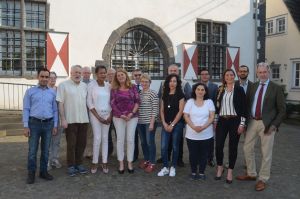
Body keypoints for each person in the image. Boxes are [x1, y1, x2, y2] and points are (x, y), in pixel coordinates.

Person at [236, 63, 286, 191]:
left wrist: (274, 125)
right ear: (257, 73)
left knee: (266, 153)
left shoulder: (276, 88)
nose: (262, 74)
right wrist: (245, 122)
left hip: (267, 124)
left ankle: (263, 179)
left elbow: (282, 110)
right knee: (247, 148)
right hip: (252, 121)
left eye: (265, 72)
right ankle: (251, 173)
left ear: (268, 72)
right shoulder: (253, 86)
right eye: (260, 72)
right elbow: (247, 105)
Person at [23, 68, 58, 184]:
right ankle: (31, 173)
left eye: (46, 77)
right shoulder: (30, 92)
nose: (44, 79)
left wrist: (55, 125)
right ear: (38, 77)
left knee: (45, 151)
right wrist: (26, 126)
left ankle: (43, 172)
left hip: (48, 124)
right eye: (42, 76)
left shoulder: (52, 92)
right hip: (34, 124)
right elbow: (26, 109)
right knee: (32, 150)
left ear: (49, 78)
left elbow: (55, 110)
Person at [214, 68, 246, 184]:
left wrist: (242, 124)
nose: (229, 77)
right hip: (222, 121)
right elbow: (217, 107)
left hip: (235, 121)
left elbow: (243, 108)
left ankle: (230, 171)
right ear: (224, 77)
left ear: (234, 76)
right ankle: (220, 166)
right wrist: (215, 121)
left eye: (231, 75)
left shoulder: (239, 89)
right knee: (218, 145)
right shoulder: (220, 89)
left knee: (233, 146)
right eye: (227, 75)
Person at [56, 65, 89, 176]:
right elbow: (60, 103)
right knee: (71, 144)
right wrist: (63, 119)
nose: (77, 74)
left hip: (83, 120)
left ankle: (79, 164)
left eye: (79, 73)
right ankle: (71, 165)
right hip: (70, 120)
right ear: (71, 73)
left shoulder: (85, 86)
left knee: (82, 144)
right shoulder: (63, 85)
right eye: (75, 72)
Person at [157, 64, 192, 167]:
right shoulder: (163, 83)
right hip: (166, 115)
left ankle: (179, 159)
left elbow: (189, 99)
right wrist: (161, 114)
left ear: (178, 72)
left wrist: (184, 115)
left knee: (178, 140)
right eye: (171, 70)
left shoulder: (185, 83)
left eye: (175, 70)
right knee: (166, 140)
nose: (173, 72)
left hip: (178, 117)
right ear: (168, 71)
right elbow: (160, 98)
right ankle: (166, 156)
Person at [110, 68, 140, 174]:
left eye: (122, 75)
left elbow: (137, 101)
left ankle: (130, 162)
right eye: (118, 76)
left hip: (133, 117)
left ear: (126, 75)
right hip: (119, 117)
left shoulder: (133, 87)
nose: (120, 77)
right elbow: (112, 103)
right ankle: (121, 163)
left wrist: (131, 113)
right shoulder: (114, 89)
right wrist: (121, 115)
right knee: (120, 140)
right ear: (116, 78)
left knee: (130, 140)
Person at [183, 82, 215, 180]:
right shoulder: (190, 102)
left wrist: (203, 127)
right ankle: (193, 172)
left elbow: (212, 117)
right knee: (193, 154)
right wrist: (194, 127)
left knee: (204, 154)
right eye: (198, 89)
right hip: (191, 134)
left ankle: (201, 173)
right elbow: (186, 116)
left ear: (205, 92)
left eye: (202, 90)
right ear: (194, 91)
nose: (200, 91)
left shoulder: (209, 102)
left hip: (206, 134)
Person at [157, 74, 185, 177]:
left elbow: (181, 111)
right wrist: (164, 123)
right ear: (167, 83)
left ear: (177, 83)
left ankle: (173, 167)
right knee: (164, 146)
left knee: (175, 146)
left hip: (177, 125)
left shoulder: (180, 95)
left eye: (174, 81)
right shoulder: (164, 94)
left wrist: (172, 124)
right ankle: (165, 167)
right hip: (165, 124)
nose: (172, 83)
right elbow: (162, 110)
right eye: (170, 81)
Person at [87, 65, 112, 174]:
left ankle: (105, 161)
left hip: (107, 115)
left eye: (104, 73)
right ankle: (95, 161)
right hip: (95, 115)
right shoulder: (91, 85)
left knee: (105, 138)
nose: (103, 75)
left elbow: (112, 101)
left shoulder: (109, 86)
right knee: (97, 138)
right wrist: (98, 117)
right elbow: (89, 102)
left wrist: (110, 115)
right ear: (96, 74)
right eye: (101, 73)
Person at [137, 74, 159, 173]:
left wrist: (151, 123)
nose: (144, 83)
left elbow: (155, 109)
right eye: (143, 81)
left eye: (146, 82)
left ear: (150, 83)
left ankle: (152, 162)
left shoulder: (153, 93)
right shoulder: (139, 93)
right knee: (143, 142)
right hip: (140, 122)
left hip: (149, 122)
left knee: (150, 142)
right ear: (140, 82)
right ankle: (147, 159)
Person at [199, 68, 218, 167]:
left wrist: (214, 117)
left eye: (206, 74)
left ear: (209, 76)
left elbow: (216, 102)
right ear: (200, 76)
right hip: (198, 117)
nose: (204, 76)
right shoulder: (196, 86)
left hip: (210, 116)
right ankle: (200, 157)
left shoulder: (215, 87)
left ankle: (210, 158)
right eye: (202, 74)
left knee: (210, 139)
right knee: (199, 138)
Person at [48, 71, 63, 170]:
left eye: (54, 78)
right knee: (47, 141)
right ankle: (47, 160)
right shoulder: (45, 90)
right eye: (51, 77)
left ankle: (55, 158)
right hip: (48, 119)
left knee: (56, 141)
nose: (53, 79)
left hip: (58, 120)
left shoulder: (59, 90)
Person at [82, 66, 93, 159]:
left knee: (90, 133)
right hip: (81, 111)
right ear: (82, 73)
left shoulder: (93, 83)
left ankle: (89, 151)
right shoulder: (78, 83)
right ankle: (81, 151)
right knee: (81, 133)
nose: (86, 74)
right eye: (85, 72)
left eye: (88, 73)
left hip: (90, 112)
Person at [132, 68, 142, 162]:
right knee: (133, 137)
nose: (138, 77)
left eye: (139, 75)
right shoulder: (130, 87)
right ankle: (134, 155)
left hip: (144, 117)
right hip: (134, 116)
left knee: (145, 139)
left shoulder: (147, 85)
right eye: (136, 75)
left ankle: (147, 157)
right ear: (133, 76)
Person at [106, 67, 116, 156]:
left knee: (118, 134)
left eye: (112, 74)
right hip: (107, 114)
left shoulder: (119, 85)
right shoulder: (104, 85)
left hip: (117, 114)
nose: (110, 76)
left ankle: (120, 152)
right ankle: (109, 152)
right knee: (107, 134)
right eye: (108, 74)